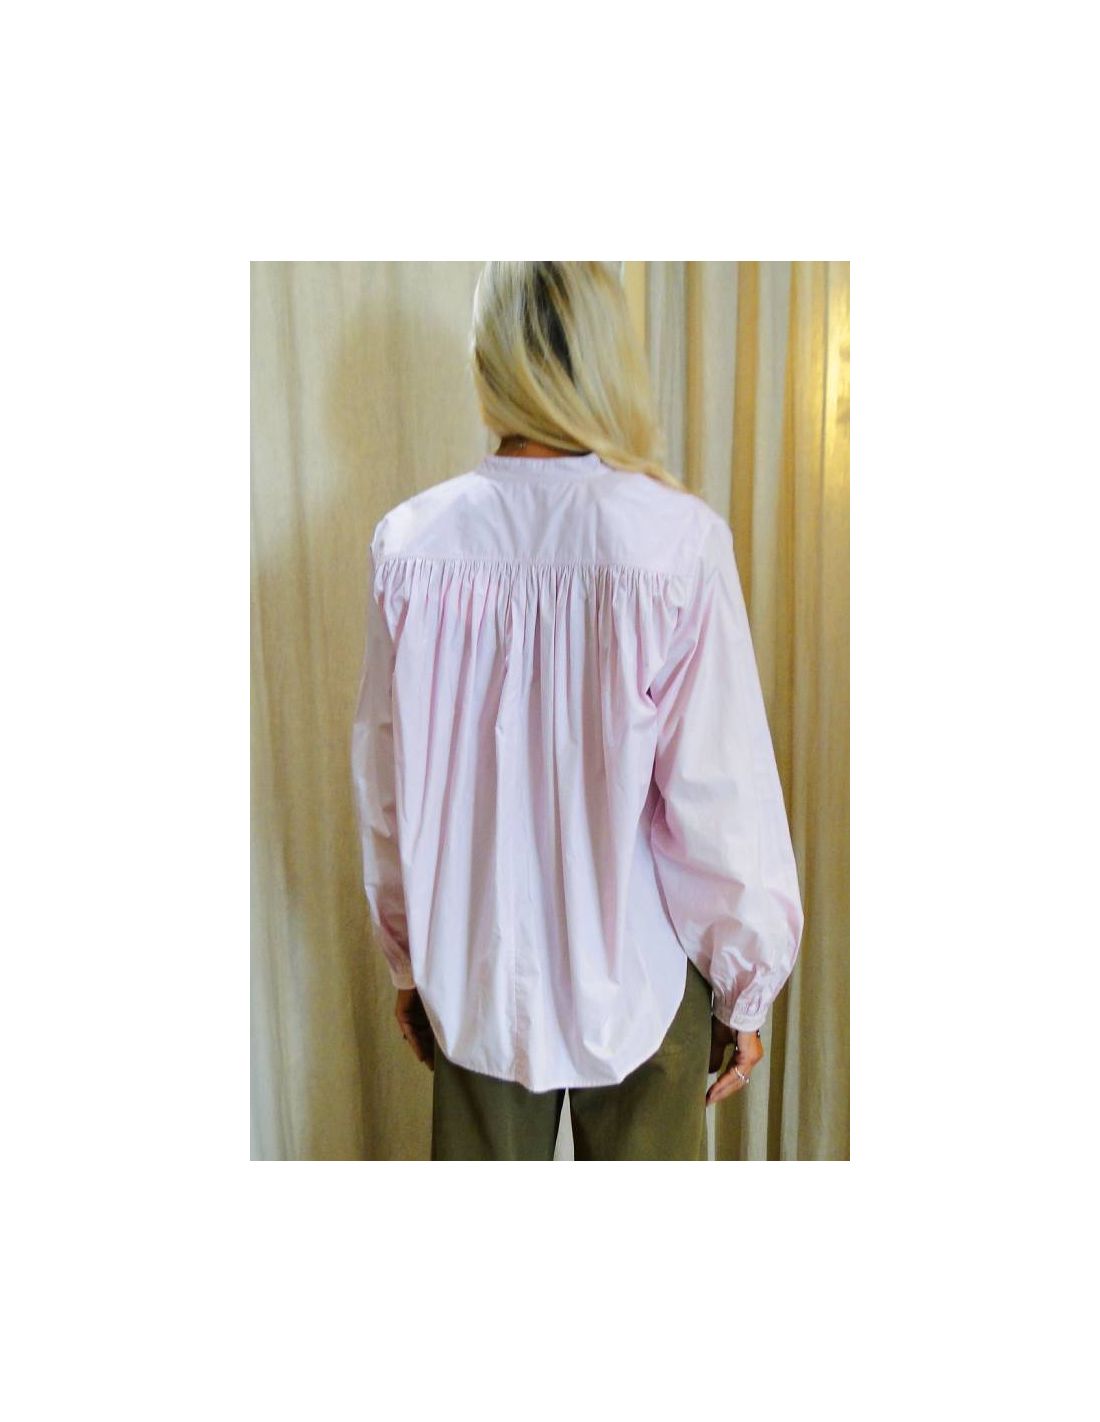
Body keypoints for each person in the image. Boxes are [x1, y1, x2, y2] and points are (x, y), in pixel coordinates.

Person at [351, 261, 803, 1160]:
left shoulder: (411, 548)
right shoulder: (674, 543)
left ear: (489, 358)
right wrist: (745, 988)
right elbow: (718, 795)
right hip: (643, 974)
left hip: (472, 972)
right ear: (604, 355)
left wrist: (409, 956)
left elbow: (387, 786)